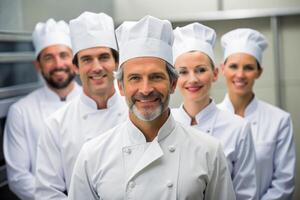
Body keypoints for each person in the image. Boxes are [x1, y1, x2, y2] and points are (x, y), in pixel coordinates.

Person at [68, 15, 235, 200]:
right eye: (135, 78)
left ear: (172, 83)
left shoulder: (208, 151)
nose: (146, 90)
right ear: (121, 87)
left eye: (156, 77)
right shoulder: (92, 155)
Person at [34, 12, 127, 199]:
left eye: (103, 57)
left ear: (116, 62)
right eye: (86, 59)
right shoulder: (56, 125)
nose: (97, 67)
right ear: (75, 66)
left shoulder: (137, 113)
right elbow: (48, 193)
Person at [171, 23, 257, 199]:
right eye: (183, 72)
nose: (193, 79)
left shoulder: (238, 128)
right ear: (173, 79)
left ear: (215, 73)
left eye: (201, 70)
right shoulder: (164, 124)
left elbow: (246, 194)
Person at [3, 18, 81, 200]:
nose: (58, 64)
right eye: (48, 57)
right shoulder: (21, 111)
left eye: (63, 55)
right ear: (38, 66)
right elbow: (18, 177)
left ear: (75, 62)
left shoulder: (95, 101)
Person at [218, 28, 295, 200]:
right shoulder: (209, 119)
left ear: (259, 72)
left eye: (249, 67)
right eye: (233, 66)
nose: (240, 74)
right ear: (222, 69)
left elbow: (284, 183)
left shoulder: (279, 120)